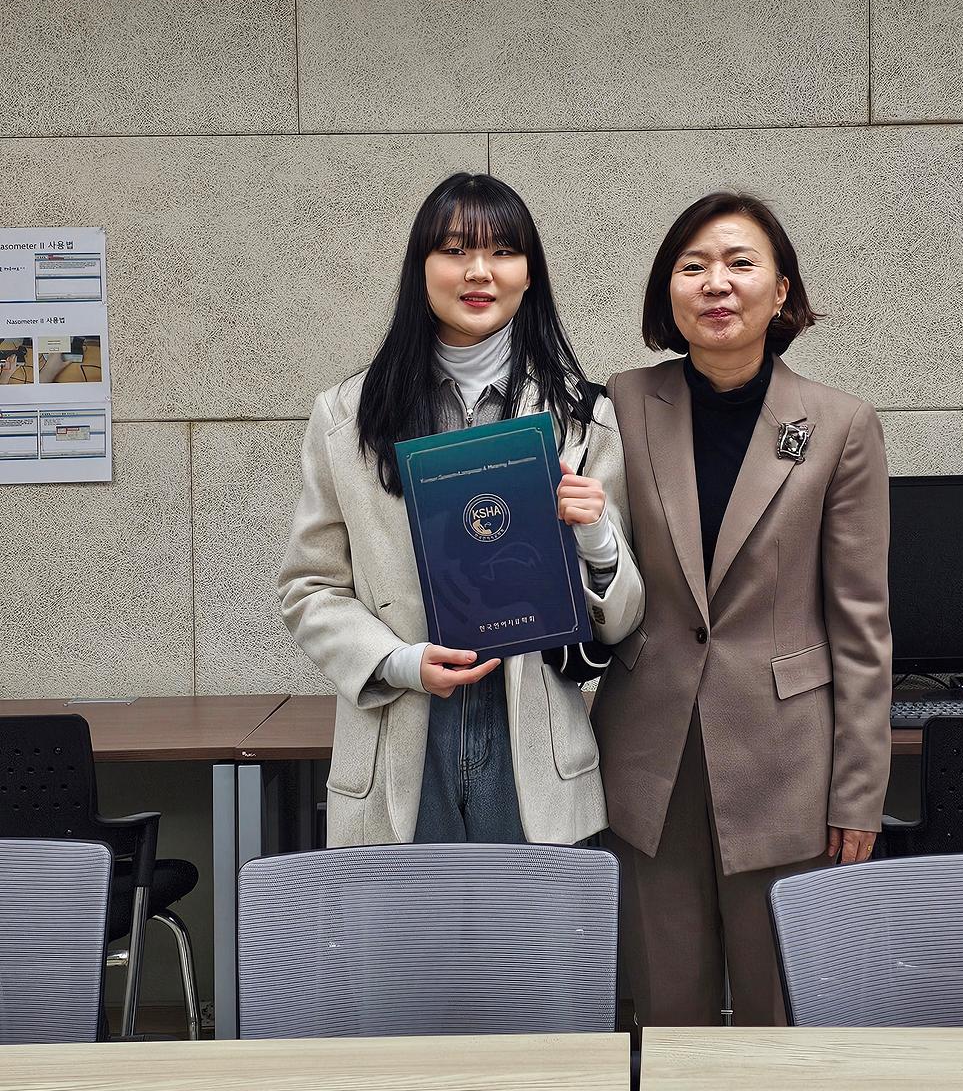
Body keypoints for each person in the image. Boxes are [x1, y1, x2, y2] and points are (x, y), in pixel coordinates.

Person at [594, 191, 892, 1026]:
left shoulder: (840, 425)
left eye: (739, 263)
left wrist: (858, 793)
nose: (716, 283)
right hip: (648, 756)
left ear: (781, 289)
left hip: (787, 763)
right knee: (665, 1012)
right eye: (692, 267)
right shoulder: (620, 403)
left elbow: (861, 624)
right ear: (668, 294)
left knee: (781, 1015)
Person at [278, 172, 644, 847]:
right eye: (454, 250)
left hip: (532, 744)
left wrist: (596, 535)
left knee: (530, 920)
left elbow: (620, 621)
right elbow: (310, 587)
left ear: (529, 273)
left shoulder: (584, 418)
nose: (480, 271)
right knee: (405, 920)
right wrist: (397, 661)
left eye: (504, 251)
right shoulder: (347, 417)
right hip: (403, 730)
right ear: (421, 269)